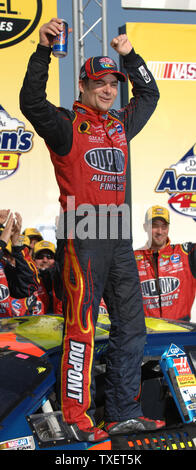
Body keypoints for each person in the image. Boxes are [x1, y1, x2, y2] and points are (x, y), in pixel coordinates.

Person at [20, 18, 165, 442]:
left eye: (113, 83)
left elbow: (150, 93)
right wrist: (43, 51)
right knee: (80, 327)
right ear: (82, 86)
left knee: (132, 327)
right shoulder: (65, 124)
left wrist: (131, 56)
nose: (108, 89)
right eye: (99, 82)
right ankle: (75, 417)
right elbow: (30, 101)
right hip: (82, 236)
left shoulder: (120, 123)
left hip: (118, 239)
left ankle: (122, 412)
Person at [134, 205, 196, 321]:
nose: (160, 231)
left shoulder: (186, 253)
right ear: (145, 227)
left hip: (180, 332)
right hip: (146, 334)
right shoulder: (133, 258)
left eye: (164, 226)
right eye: (155, 226)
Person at [33, 240, 63, 315]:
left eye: (49, 257)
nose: (45, 260)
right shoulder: (28, 279)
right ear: (33, 259)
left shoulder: (62, 277)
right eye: (40, 257)